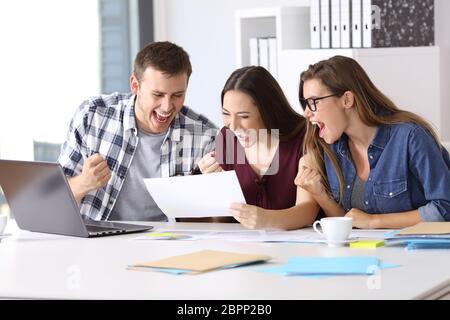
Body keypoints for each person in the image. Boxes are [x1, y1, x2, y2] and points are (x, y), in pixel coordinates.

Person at [58, 41, 218, 221]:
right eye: (157, 95)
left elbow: (219, 221)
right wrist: (83, 183)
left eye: (177, 95)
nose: (166, 107)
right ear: (135, 85)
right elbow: (52, 200)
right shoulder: (92, 115)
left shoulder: (206, 135)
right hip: (97, 241)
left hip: (169, 244)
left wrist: (211, 189)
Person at [295, 55, 450, 229]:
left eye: (313, 102)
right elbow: (352, 223)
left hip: (417, 253)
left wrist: (373, 221)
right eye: (305, 104)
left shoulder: (411, 137)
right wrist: (321, 196)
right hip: (364, 253)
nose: (306, 113)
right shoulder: (333, 148)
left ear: (347, 99)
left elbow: (445, 207)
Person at [198, 66, 320, 230]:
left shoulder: (303, 137)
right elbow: (222, 220)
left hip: (298, 245)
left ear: (268, 111)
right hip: (243, 246)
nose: (233, 126)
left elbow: (307, 211)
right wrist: (212, 184)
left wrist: (267, 219)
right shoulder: (227, 139)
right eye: (226, 113)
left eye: (244, 116)